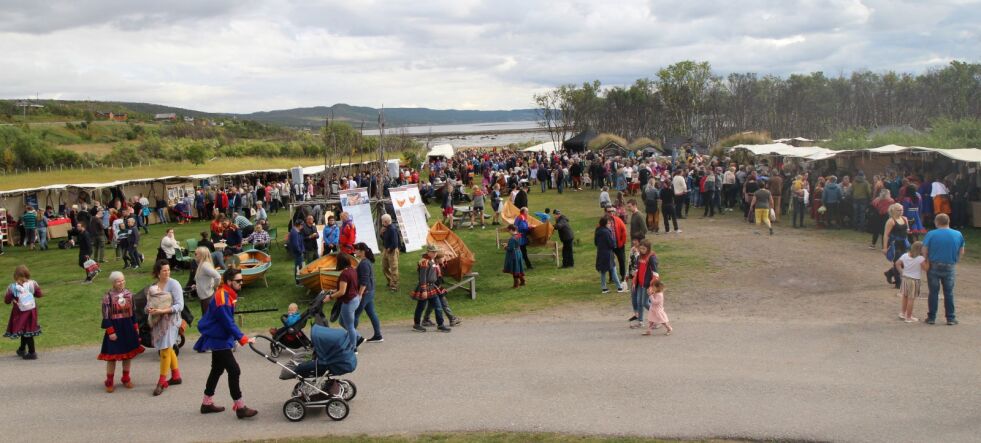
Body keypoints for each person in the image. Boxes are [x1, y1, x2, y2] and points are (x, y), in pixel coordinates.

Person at [194, 269, 258, 418]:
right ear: (229, 282)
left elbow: (228, 322)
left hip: (220, 337)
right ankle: (240, 407)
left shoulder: (227, 294)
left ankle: (206, 403)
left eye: (242, 280)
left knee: (216, 370)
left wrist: (239, 337)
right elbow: (227, 322)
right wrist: (243, 338)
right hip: (219, 339)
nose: (241, 283)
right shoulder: (223, 297)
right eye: (238, 281)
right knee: (234, 370)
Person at [99, 272, 145, 392]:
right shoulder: (107, 297)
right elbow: (106, 317)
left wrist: (136, 327)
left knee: (127, 355)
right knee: (111, 358)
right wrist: (111, 331)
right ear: (113, 283)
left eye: (123, 280)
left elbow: (133, 313)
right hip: (115, 328)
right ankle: (109, 381)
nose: (121, 283)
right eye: (119, 281)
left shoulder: (129, 295)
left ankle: (126, 378)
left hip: (128, 327)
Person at [145, 260, 184, 396]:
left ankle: (161, 382)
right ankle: (176, 376)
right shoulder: (154, 286)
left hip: (171, 321)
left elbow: (180, 306)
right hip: (158, 322)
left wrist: (162, 311)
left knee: (165, 350)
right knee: (168, 347)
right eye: (164, 270)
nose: (167, 272)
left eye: (168, 270)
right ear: (158, 272)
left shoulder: (174, 284)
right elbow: (149, 303)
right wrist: (149, 309)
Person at [922, 213, 965, 325]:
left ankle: (931, 317)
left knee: (933, 292)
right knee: (949, 293)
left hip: (934, 265)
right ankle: (950, 318)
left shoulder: (931, 234)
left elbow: (925, 249)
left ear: (937, 222)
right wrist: (956, 261)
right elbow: (961, 251)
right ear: (948, 221)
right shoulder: (958, 234)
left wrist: (926, 260)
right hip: (950, 265)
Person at [324, 253, 363, 348]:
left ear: (340, 262)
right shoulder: (352, 270)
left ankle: (353, 347)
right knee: (342, 321)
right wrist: (333, 290)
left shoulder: (344, 274)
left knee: (349, 326)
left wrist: (330, 297)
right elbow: (348, 287)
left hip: (349, 302)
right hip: (355, 299)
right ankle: (358, 337)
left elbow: (342, 292)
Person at [5, 265, 42, 360]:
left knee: (27, 331)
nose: (22, 281)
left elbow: (7, 300)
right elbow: (39, 294)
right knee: (24, 331)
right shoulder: (32, 284)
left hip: (21, 313)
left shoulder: (13, 287)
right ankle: (22, 349)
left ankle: (32, 352)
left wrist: (12, 297)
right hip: (31, 311)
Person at [410, 245, 450, 333]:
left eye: (435, 252)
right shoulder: (424, 262)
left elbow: (441, 263)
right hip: (425, 287)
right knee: (421, 307)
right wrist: (424, 290)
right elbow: (422, 277)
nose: (435, 253)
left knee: (438, 307)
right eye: (433, 252)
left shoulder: (432, 260)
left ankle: (440, 325)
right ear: (428, 252)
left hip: (432, 287)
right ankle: (416, 325)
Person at [353, 243, 383, 343]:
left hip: (365, 293)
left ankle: (351, 337)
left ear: (362, 251)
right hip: (370, 291)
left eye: (356, 250)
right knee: (371, 313)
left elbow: (364, 280)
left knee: (355, 314)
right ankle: (378, 335)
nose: (355, 251)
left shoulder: (364, 263)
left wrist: (360, 294)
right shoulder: (366, 262)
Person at [629, 239, 658, 329]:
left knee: (645, 303)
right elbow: (637, 270)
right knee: (639, 302)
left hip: (647, 285)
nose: (642, 251)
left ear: (648, 249)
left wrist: (651, 285)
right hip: (640, 284)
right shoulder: (639, 257)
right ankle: (640, 322)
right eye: (640, 249)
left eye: (644, 249)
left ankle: (658, 318)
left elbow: (655, 274)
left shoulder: (651, 258)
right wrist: (634, 280)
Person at [896, 241, 928, 323]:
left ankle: (903, 313)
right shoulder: (920, 259)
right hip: (914, 280)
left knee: (905, 296)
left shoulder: (905, 255)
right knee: (911, 299)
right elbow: (926, 268)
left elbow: (897, 263)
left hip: (905, 278)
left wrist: (901, 272)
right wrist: (928, 259)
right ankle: (909, 317)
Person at [882, 203, 910, 290]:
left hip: (904, 243)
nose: (901, 211)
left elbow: (907, 230)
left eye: (902, 210)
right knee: (897, 262)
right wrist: (885, 247)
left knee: (904, 262)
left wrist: (908, 233)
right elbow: (886, 235)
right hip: (895, 244)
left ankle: (890, 273)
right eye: (899, 210)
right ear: (893, 211)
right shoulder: (891, 221)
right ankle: (898, 283)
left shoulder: (905, 219)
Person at [595, 216, 624, 294]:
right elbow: (612, 244)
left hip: (601, 253)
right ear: (605, 224)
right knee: (613, 269)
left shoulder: (598, 230)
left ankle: (604, 288)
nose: (610, 224)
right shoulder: (607, 232)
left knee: (603, 271)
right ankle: (619, 287)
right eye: (608, 223)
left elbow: (596, 243)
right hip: (608, 253)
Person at [194, 247, 221, 316]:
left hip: (208, 298)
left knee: (209, 321)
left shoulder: (205, 265)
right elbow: (203, 279)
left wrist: (214, 286)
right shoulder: (202, 265)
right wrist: (196, 286)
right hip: (204, 298)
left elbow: (218, 276)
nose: (195, 256)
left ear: (201, 255)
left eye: (196, 254)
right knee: (207, 320)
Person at [380, 214, 400, 291]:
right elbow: (384, 239)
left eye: (382, 221)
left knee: (393, 268)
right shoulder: (386, 228)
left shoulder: (392, 229)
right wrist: (381, 234)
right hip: (386, 249)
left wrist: (389, 249)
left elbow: (395, 242)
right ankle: (390, 280)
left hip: (392, 251)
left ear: (385, 221)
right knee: (384, 267)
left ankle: (394, 285)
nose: (382, 223)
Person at [607, 207, 628, 279]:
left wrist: (622, 242)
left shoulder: (618, 220)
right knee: (610, 261)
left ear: (615, 212)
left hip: (619, 245)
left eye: (612, 211)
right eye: (609, 212)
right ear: (606, 213)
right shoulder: (603, 221)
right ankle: (611, 277)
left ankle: (623, 275)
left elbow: (624, 231)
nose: (611, 213)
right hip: (609, 246)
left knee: (621, 260)